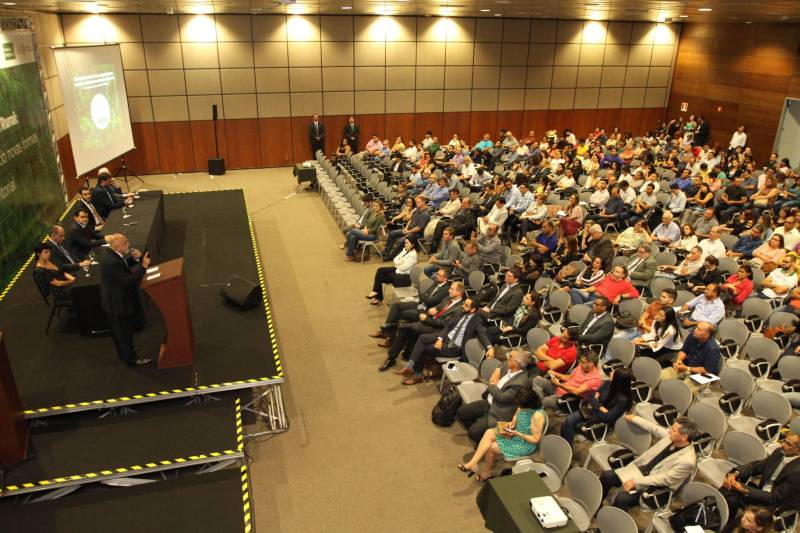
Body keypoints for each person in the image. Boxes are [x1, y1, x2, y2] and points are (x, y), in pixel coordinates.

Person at [600, 415, 698, 511]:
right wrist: (635, 419)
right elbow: (654, 429)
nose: (669, 431)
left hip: (655, 488)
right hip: (641, 471)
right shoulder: (672, 437)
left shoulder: (687, 461)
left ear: (684, 437)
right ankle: (596, 506)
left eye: (673, 430)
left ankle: (610, 523)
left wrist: (636, 481)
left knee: (622, 499)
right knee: (607, 476)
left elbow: (665, 479)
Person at [457, 386, 545, 482]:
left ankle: (487, 472)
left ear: (528, 404)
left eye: (520, 405)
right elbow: (516, 415)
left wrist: (517, 433)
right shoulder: (523, 406)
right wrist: (512, 424)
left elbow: (535, 439)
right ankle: (473, 463)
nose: (518, 406)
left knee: (491, 447)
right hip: (515, 433)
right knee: (489, 432)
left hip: (525, 443)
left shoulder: (537, 416)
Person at [397, 298, 491, 386]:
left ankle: (417, 375)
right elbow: (448, 326)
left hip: (454, 347)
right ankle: (409, 367)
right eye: (463, 303)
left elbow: (481, 333)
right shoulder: (460, 312)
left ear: (473, 309)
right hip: (446, 338)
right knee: (422, 338)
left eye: (466, 305)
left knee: (425, 348)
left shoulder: (477, 321)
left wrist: (490, 347)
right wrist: (440, 339)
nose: (463, 306)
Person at [719, 432, 800, 532]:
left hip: (777, 507)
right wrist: (735, 473)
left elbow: (774, 498)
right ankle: (721, 524)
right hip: (763, 495)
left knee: (743, 520)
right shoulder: (779, 452)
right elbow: (755, 467)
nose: (783, 444)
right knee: (727, 491)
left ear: (798, 450)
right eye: (784, 441)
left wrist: (745, 489)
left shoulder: (797, 472)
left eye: (789, 444)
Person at [378, 281, 465, 371]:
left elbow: (443, 324)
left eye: (452, 289)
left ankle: (394, 326)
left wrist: (426, 319)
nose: (449, 290)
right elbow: (436, 309)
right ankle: (391, 358)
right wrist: (431, 311)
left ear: (459, 292)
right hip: (430, 321)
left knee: (411, 327)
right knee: (405, 330)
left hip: (438, 330)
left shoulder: (459, 309)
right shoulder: (448, 299)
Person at [99, 234, 152, 366]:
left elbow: (123, 266)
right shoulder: (112, 262)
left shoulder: (111, 254)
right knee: (124, 332)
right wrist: (143, 266)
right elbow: (128, 280)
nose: (128, 244)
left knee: (120, 332)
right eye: (125, 242)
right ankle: (131, 358)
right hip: (118, 303)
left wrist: (134, 260)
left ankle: (124, 352)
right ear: (117, 245)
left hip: (113, 301)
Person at [560, 367, 633, 445]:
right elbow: (591, 396)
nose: (610, 373)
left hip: (601, 422)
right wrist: (599, 406)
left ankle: (567, 449)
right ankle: (566, 447)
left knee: (570, 425)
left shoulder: (623, 399)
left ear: (618, 380)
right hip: (592, 411)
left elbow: (608, 417)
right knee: (568, 421)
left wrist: (595, 402)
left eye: (613, 373)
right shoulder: (608, 383)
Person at [531, 351, 604, 410]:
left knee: (541, 402)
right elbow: (569, 378)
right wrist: (556, 374)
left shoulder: (595, 379)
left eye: (582, 362)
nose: (580, 363)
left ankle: (539, 405)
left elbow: (576, 391)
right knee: (537, 379)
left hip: (568, 399)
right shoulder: (582, 367)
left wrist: (559, 384)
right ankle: (539, 404)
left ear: (591, 364)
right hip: (560, 388)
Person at [367, 238, 417, 304]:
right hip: (397, 269)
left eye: (407, 243)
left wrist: (399, 262)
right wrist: (400, 262)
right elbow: (395, 259)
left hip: (404, 276)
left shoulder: (413, 255)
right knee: (380, 270)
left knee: (380, 277)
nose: (405, 244)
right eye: (405, 243)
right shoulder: (405, 250)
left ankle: (377, 296)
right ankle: (376, 293)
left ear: (412, 245)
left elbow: (404, 268)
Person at [569, 265, 639, 305]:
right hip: (591, 294)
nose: (613, 272)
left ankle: (579, 308)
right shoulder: (608, 278)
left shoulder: (626, 284)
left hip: (602, 301)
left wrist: (620, 296)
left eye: (617, 272)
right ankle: (579, 308)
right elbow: (596, 286)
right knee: (574, 290)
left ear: (623, 275)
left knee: (581, 305)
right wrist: (584, 290)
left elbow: (636, 293)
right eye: (614, 270)